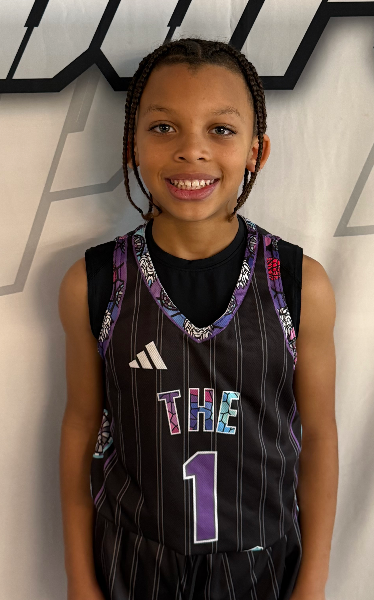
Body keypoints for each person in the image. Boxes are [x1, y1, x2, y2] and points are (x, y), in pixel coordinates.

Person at [58, 38, 338, 600]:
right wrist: (79, 580)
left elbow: (320, 436)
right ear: (132, 145)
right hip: (134, 561)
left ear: (257, 151)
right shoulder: (93, 283)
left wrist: (313, 583)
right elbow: (81, 429)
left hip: (261, 566)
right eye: (164, 127)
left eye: (221, 129)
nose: (192, 151)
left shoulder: (300, 283)